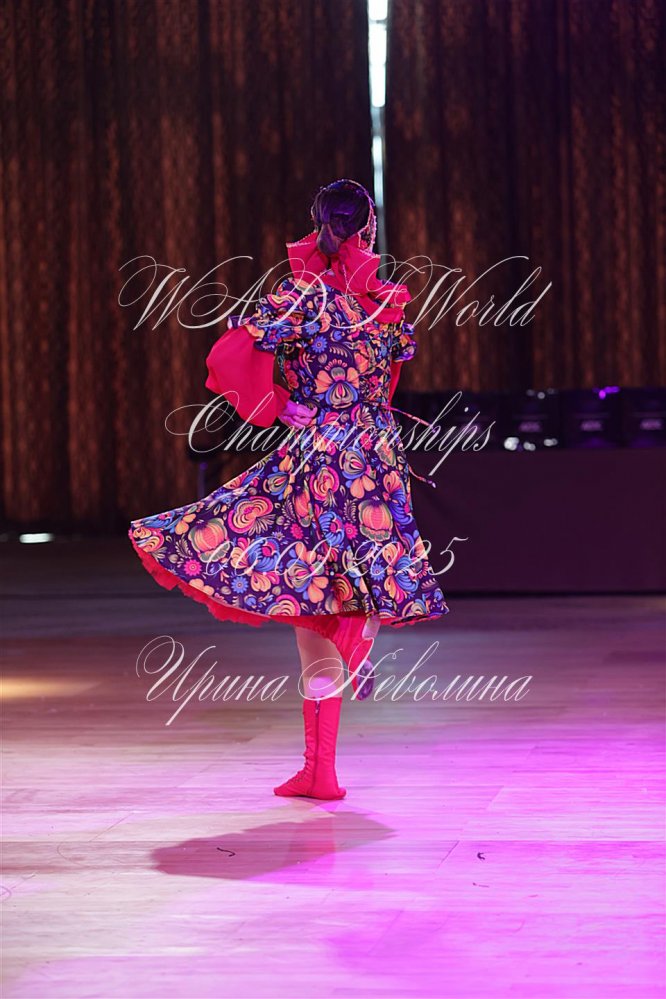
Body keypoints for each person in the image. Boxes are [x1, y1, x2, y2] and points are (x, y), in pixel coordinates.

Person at [128, 178, 448, 800]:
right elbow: (387, 382)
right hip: (376, 456)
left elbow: (229, 354)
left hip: (319, 454)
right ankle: (325, 755)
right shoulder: (386, 302)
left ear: (317, 224)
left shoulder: (300, 296)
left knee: (306, 590)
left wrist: (276, 405)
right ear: (370, 227)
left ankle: (325, 744)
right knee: (354, 582)